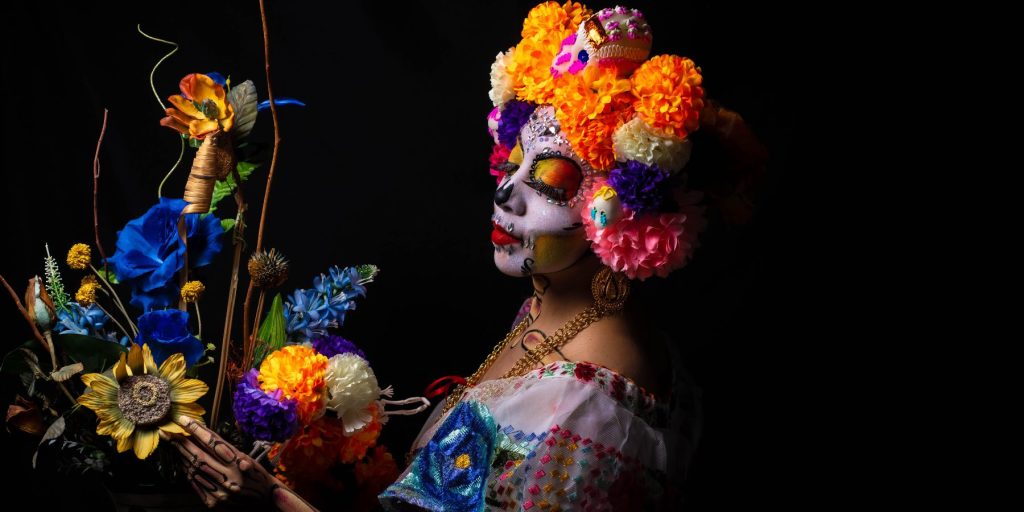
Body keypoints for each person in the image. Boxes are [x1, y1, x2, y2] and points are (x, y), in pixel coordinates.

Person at [166, 3, 765, 510]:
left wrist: (270, 503)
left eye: (551, 184)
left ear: (622, 216)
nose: (506, 193)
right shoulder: (552, 307)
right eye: (513, 166)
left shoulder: (586, 406)